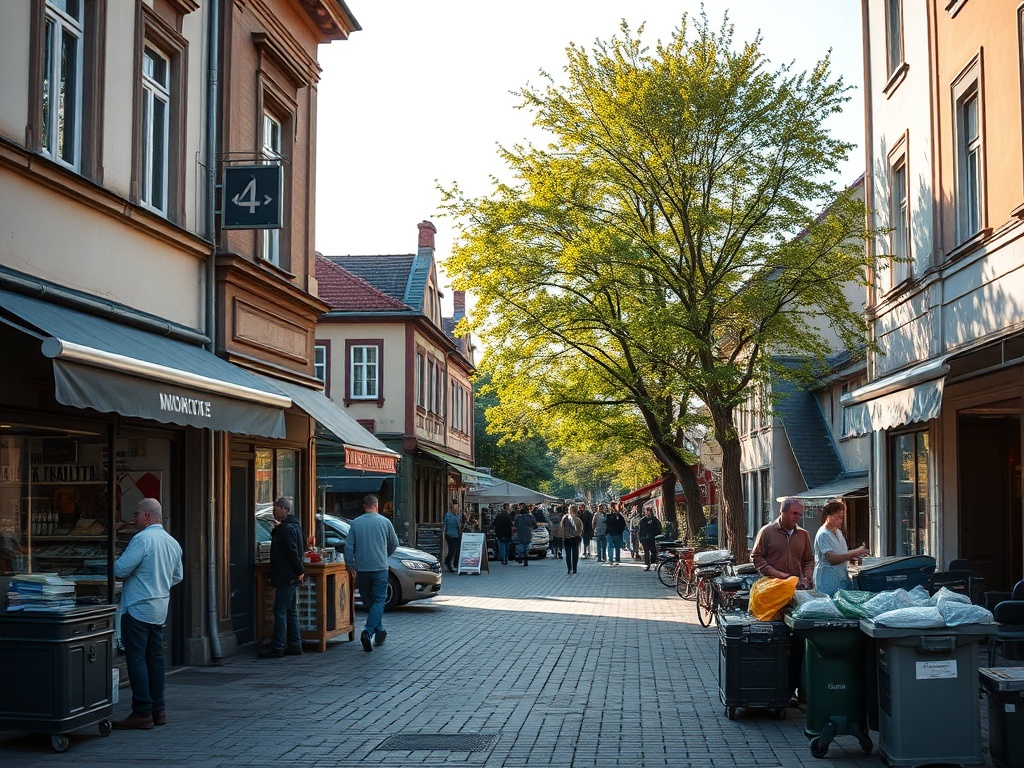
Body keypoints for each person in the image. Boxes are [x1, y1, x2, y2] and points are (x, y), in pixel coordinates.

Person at [112, 498, 183, 730]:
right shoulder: (172, 542)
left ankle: (142, 710)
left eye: (135, 514)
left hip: (138, 606)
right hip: (159, 607)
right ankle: (158, 710)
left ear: (146, 516)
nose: (133, 518)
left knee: (136, 659)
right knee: (155, 659)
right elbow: (177, 576)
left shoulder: (142, 539)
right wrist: (158, 584)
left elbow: (120, 569)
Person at [751, 496, 814, 704]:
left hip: (796, 594)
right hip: (773, 594)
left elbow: (808, 559)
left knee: (797, 642)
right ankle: (773, 685)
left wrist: (806, 576)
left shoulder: (803, 535)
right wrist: (776, 574)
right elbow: (757, 557)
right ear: (784, 512)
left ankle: (792, 689)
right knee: (776, 641)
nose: (798, 517)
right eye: (795, 513)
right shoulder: (767, 532)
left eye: (800, 513)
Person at [346, 494, 399, 652]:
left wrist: (350, 565)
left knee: (369, 602)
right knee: (378, 602)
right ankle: (368, 632)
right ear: (377, 506)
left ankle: (380, 631)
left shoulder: (356, 523)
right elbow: (394, 544)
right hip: (380, 568)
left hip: (362, 569)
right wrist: (384, 555)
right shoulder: (385, 522)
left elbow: (349, 547)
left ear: (364, 506)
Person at [258, 497, 305, 660]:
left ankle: (277, 646)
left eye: (275, 509)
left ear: (284, 509)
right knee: (290, 611)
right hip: (291, 575)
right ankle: (295, 644)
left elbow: (292, 552)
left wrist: (300, 570)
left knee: (280, 610)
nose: (273, 512)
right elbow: (298, 549)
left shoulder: (285, 529)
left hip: (286, 575)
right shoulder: (295, 526)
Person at [813, 498, 869, 597]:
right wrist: (853, 553)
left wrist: (856, 556)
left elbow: (842, 552)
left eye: (842, 517)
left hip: (841, 578)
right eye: (838, 517)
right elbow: (832, 559)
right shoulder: (823, 534)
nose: (841, 520)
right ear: (828, 516)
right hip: (827, 581)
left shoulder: (838, 532)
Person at [557, 504, 583, 575]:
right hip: (575, 538)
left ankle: (569, 569)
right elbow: (580, 530)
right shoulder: (578, 520)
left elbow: (561, 528)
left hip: (566, 538)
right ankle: (575, 568)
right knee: (575, 553)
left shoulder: (565, 518)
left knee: (568, 554)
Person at [443, 501, 462, 574]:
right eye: (455, 507)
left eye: (457, 507)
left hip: (456, 535)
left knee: (456, 550)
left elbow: (459, 524)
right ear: (452, 507)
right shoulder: (448, 515)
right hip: (450, 535)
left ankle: (451, 563)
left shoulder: (458, 515)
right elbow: (445, 525)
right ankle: (448, 564)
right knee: (452, 550)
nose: (456, 508)